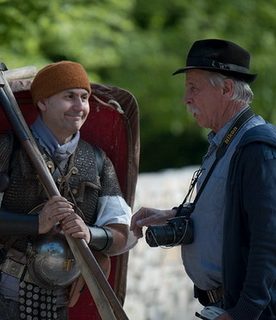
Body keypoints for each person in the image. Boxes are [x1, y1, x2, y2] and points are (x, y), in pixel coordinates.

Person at [131, 39, 276, 320]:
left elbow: (269, 238)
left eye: (193, 87)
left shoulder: (257, 148)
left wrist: (243, 313)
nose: (186, 98)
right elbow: (227, 215)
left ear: (227, 88)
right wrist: (171, 215)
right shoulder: (227, 143)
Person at [0, 61, 131, 320]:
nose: (79, 106)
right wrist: (34, 223)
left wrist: (90, 234)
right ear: (43, 102)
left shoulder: (96, 161)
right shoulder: (8, 150)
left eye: (84, 97)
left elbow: (120, 235)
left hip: (61, 300)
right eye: (68, 96)